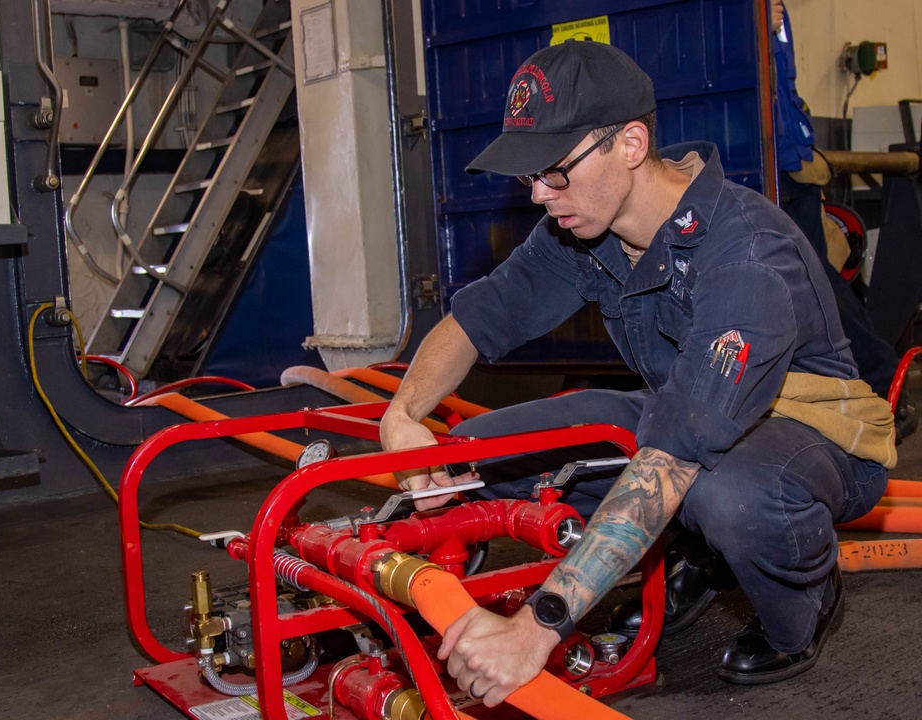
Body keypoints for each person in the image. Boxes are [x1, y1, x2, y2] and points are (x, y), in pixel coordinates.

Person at [379, 38, 896, 704]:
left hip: (808, 440)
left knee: (729, 495)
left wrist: (534, 631)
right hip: (682, 414)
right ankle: (693, 550)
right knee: (477, 456)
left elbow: (674, 460)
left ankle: (805, 601)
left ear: (628, 144)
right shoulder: (581, 224)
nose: (539, 195)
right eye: (527, 177)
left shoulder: (745, 253)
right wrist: (404, 413)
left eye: (554, 171)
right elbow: (477, 321)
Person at [771, 0, 917, 442]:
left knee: (813, 282)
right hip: (780, 162)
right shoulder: (760, 17)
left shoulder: (766, 14)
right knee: (809, 281)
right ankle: (868, 380)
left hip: (780, 168)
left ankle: (879, 378)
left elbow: (779, 92)